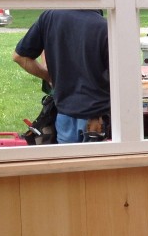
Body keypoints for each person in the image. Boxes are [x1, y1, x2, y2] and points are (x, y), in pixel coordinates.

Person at [13, 9, 110, 144]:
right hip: (97, 118)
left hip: (64, 114)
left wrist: (49, 77)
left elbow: (20, 56)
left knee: (67, 163)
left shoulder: (50, 17)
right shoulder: (106, 27)